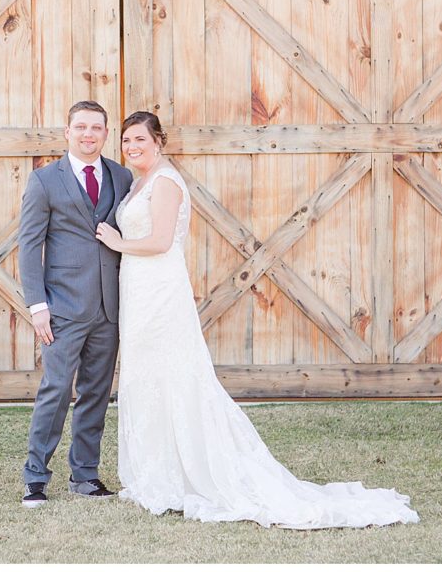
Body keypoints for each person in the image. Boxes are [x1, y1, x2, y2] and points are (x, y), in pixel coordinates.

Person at [94, 111, 420, 529]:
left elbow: (159, 241)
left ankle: (192, 472)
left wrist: (119, 242)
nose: (132, 147)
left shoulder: (165, 182)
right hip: (138, 291)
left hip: (159, 290)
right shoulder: (137, 182)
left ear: (159, 142)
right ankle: (156, 472)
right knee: (148, 375)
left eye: (139, 139)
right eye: (126, 141)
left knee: (176, 375)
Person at [18, 100, 133, 508]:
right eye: (80, 127)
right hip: (62, 309)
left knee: (97, 393)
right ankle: (35, 477)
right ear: (67, 132)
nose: (88, 134)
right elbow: (30, 246)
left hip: (108, 307)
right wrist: (37, 306)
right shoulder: (45, 180)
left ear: (105, 134)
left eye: (96, 128)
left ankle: (85, 475)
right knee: (55, 389)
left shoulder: (122, 176)